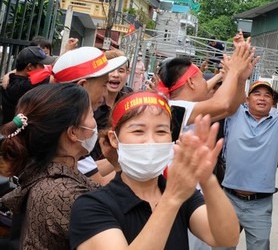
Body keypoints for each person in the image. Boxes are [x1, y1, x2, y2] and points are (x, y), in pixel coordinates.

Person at [69, 91, 240, 249]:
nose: (151, 141)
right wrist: (171, 199)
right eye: (138, 131)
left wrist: (207, 178)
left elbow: (227, 238)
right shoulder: (92, 206)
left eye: (161, 131)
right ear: (114, 139)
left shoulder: (184, 195)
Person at [214, 39, 278, 250]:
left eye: (267, 95)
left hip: (260, 203)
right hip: (229, 198)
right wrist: (242, 70)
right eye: (256, 94)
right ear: (247, 99)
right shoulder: (235, 113)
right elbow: (233, 93)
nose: (262, 98)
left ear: (273, 103)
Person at [0, 83, 100, 250]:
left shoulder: (46, 173)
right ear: (73, 133)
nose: (95, 123)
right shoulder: (62, 193)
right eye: (91, 114)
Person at [48, 46, 128, 185]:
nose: (105, 94)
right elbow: (99, 185)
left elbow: (90, 169)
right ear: (82, 86)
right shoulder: (69, 135)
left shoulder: (57, 117)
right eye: (104, 85)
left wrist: (121, 157)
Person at [1, 46, 54, 124]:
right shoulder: (25, 85)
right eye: (41, 65)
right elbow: (55, 75)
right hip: (17, 133)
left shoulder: (12, 79)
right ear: (30, 66)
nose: (44, 68)